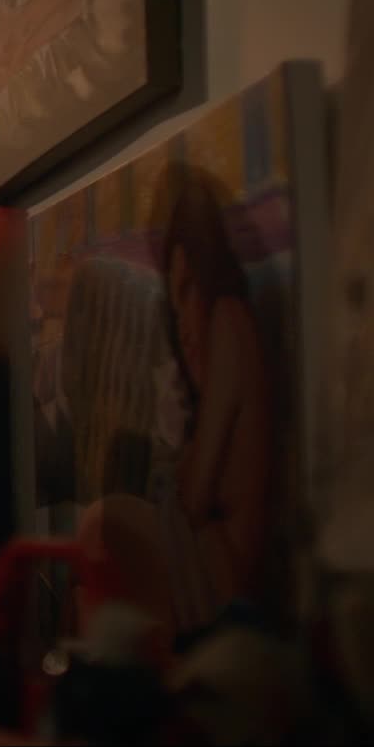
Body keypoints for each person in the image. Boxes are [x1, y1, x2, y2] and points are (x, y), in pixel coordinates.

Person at [78, 166, 274, 644]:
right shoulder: (224, 333)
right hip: (211, 561)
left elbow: (195, 495)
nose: (182, 321)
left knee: (106, 523)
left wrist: (181, 470)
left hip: (224, 577)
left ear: (208, 272)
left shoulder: (228, 321)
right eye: (173, 297)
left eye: (187, 289)